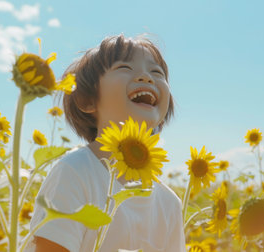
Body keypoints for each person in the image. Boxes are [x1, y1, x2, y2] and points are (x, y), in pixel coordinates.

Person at [24, 34, 186, 252]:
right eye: (125, 68)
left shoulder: (169, 204)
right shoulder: (75, 172)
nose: (146, 78)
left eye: (156, 72)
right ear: (87, 100)